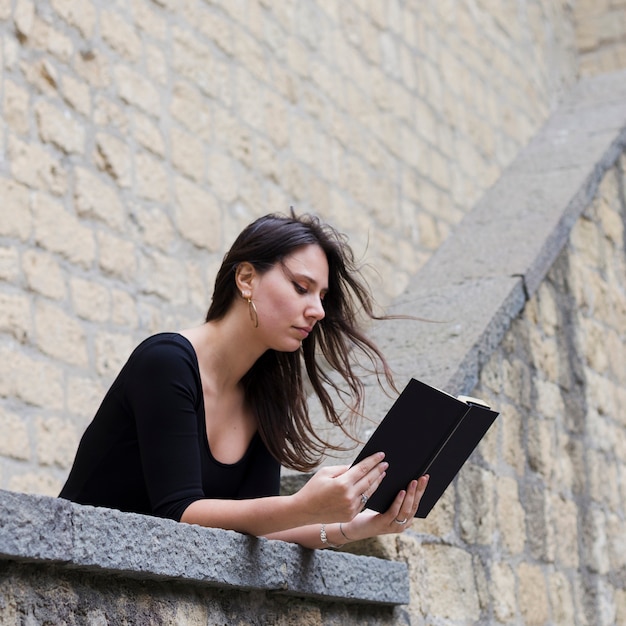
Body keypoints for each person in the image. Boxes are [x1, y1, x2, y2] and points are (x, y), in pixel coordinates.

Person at [59, 212, 429, 549]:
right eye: (301, 287)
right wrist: (301, 505)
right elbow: (178, 512)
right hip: (73, 567)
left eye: (322, 296)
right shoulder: (166, 363)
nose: (317, 310)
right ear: (246, 278)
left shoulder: (267, 395)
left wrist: (356, 525)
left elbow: (259, 525)